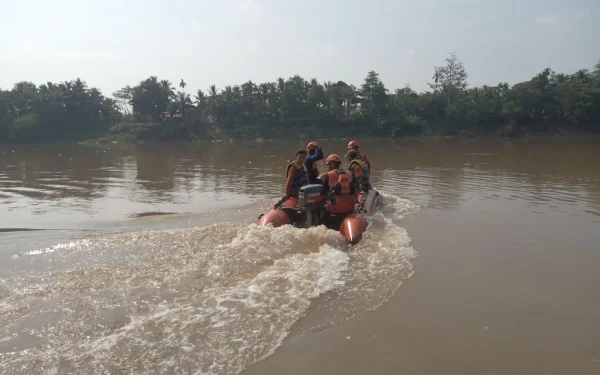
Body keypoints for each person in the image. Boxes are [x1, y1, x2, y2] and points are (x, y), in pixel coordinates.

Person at [317, 154, 357, 229]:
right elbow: (355, 190)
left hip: (334, 211)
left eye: (328, 165)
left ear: (331, 164)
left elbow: (322, 193)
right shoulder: (350, 174)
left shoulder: (327, 175)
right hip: (349, 209)